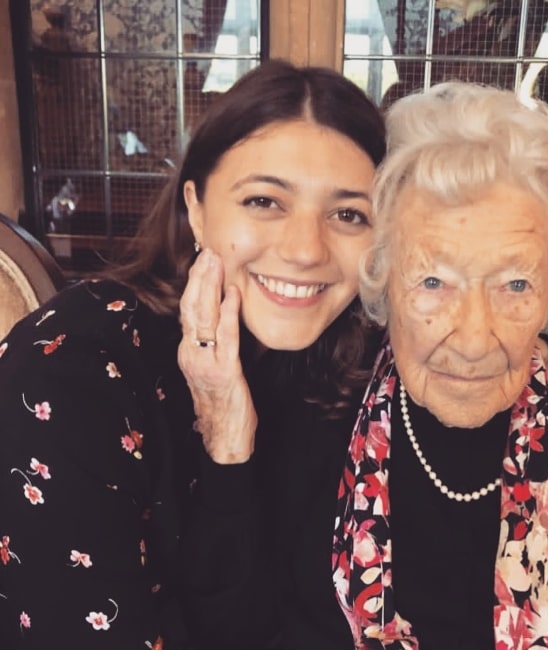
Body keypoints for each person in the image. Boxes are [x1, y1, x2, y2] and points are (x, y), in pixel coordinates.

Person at [0, 59, 385, 649]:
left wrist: (231, 450)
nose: (307, 250)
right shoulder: (69, 369)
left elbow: (259, 629)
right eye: (265, 201)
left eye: (348, 214)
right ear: (198, 210)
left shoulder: (345, 363)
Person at [330, 81, 548, 649]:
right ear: (380, 277)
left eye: (515, 283)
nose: (475, 339)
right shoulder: (325, 401)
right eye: (433, 281)